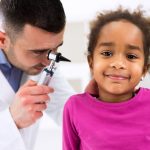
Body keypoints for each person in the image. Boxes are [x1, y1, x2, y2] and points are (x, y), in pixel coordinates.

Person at [63, 7, 150, 150]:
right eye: (107, 53)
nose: (118, 64)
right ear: (91, 62)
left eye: (131, 56)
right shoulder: (74, 107)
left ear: (144, 69)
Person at [0, 0, 77, 149]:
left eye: (55, 49)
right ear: (3, 40)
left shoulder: (41, 64)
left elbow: (67, 111)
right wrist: (12, 119)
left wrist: (97, 104)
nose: (49, 61)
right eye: (38, 51)